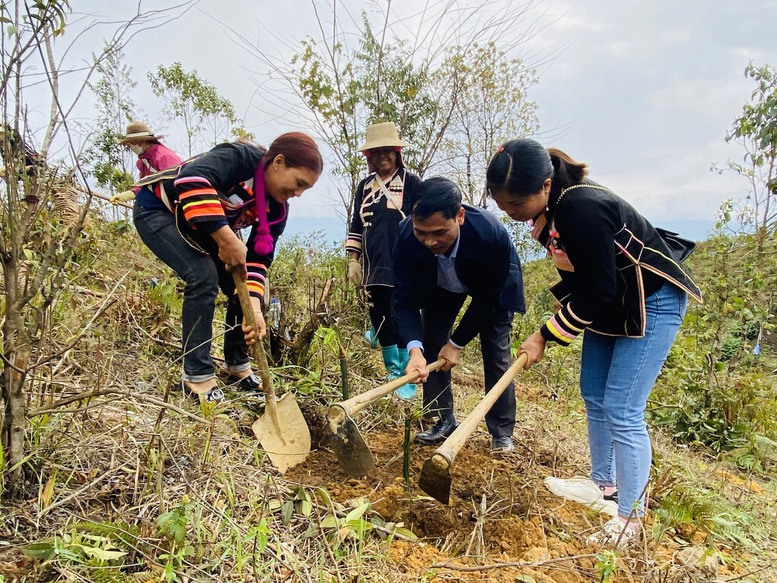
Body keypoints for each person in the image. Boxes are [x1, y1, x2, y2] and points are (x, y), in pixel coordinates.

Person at [486, 138, 702, 546]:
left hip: (651, 301)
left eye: (516, 204)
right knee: (593, 394)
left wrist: (544, 334)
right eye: (503, 206)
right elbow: (587, 282)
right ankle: (603, 485)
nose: (511, 214)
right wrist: (552, 328)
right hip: (614, 302)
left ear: (546, 186)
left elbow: (598, 289)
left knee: (623, 407)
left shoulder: (580, 208)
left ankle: (630, 519)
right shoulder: (552, 215)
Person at [132, 134, 323, 402]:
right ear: (278, 162)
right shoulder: (240, 158)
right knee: (202, 275)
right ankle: (196, 376)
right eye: (299, 183)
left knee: (241, 286)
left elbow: (258, 260)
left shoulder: (277, 210)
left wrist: (253, 308)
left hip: (200, 229)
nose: (298, 193)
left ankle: (237, 367)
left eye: (306, 189)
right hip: (158, 212)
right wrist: (225, 238)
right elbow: (190, 179)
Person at [393, 177, 526, 454]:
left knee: (496, 351)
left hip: (490, 286)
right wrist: (414, 351)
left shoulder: (489, 236)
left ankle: (501, 431)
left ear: (460, 216)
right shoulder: (407, 237)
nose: (430, 241)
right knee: (430, 341)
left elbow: (487, 300)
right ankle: (443, 420)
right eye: (422, 232)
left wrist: (456, 344)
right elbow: (403, 300)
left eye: (440, 232)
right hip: (440, 283)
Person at [346, 122, 421, 399]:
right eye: (376, 153)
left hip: (403, 263)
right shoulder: (364, 186)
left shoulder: (411, 183)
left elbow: (422, 221)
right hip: (373, 263)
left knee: (402, 314)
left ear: (396, 152)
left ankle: (406, 374)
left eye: (387, 152)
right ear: (370, 157)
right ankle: (391, 369)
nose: (382, 158)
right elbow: (357, 222)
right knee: (379, 316)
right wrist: (353, 259)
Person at [111, 121, 183, 203]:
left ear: (141, 142)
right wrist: (127, 195)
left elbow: (176, 184)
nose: (129, 147)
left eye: (130, 144)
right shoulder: (141, 162)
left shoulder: (164, 157)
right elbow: (144, 186)